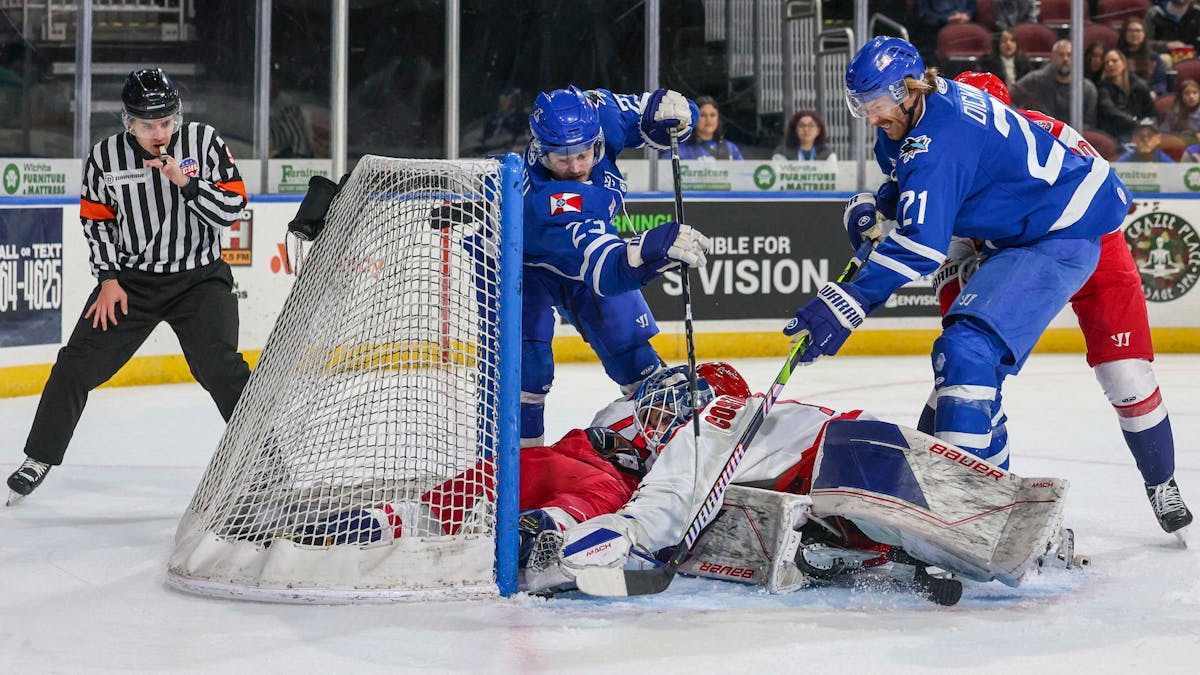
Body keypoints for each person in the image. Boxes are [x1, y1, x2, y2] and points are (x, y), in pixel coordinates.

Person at [788, 37, 1128, 512]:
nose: (870, 117)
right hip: (1025, 231)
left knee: (967, 352)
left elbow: (925, 246)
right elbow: (928, 184)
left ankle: (964, 512)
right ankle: (998, 506)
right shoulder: (918, 113)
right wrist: (881, 204)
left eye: (878, 104)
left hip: (1060, 231)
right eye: (861, 105)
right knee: (963, 366)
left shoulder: (939, 141)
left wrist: (849, 300)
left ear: (908, 91)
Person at [939, 71, 1192, 538]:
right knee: (967, 364)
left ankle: (1162, 481)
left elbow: (1108, 193)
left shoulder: (1048, 133)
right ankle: (970, 488)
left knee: (1127, 377)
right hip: (1020, 259)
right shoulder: (948, 162)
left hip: (1094, 249)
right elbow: (951, 262)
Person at [6, 68, 251, 504]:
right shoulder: (105, 157)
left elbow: (232, 208)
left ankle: (266, 463)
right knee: (75, 365)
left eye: (165, 122)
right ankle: (38, 457)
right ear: (127, 122)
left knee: (221, 368)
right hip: (132, 284)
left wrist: (186, 183)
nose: (159, 133)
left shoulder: (204, 142)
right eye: (147, 125)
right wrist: (109, 278)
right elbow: (96, 221)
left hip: (200, 279)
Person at [518, 85, 710, 446]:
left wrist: (678, 116)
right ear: (541, 151)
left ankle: (668, 452)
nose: (575, 167)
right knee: (528, 377)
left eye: (584, 154)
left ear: (597, 138)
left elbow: (655, 111)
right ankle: (521, 475)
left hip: (586, 257)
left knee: (635, 357)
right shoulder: (545, 199)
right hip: (524, 268)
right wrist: (651, 250)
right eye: (561, 158)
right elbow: (606, 271)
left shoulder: (600, 114)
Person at [1010, 39, 1098, 127]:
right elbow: (1010, 94)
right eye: (1061, 55)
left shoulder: (1087, 89)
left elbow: (1089, 124)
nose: (1065, 59)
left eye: (1069, 55)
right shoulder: (1034, 80)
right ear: (1052, 57)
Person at [1096, 49, 1156, 142]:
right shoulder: (1103, 88)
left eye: (1114, 61)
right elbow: (1110, 110)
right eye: (1106, 63)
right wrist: (1134, 122)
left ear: (1124, 63)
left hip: (1140, 132)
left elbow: (1150, 112)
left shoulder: (1139, 85)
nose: (1110, 64)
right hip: (1115, 133)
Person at [662, 96, 743, 160]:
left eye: (712, 115)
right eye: (703, 115)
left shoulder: (731, 148)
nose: (708, 120)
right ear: (693, 118)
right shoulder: (679, 150)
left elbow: (743, 177)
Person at [1118, 18, 1168, 99]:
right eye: (1130, 30)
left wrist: (1154, 92)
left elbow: (1160, 82)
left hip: (1148, 97)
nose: (1134, 34)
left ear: (1144, 34)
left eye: (1138, 31)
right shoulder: (1117, 56)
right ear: (1124, 34)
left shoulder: (1153, 57)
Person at [475, 86, 529, 156]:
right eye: (502, 99)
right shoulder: (494, 118)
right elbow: (486, 137)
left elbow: (521, 136)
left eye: (507, 99)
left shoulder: (521, 117)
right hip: (489, 150)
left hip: (509, 152)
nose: (503, 102)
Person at [772, 109, 836, 162]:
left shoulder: (827, 154)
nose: (806, 129)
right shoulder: (782, 152)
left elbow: (833, 175)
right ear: (795, 130)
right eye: (801, 126)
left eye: (811, 125)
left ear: (818, 131)